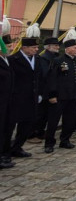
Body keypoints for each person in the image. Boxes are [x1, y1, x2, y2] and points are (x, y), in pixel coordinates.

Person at [45, 29, 76, 152]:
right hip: (59, 96)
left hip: (73, 96)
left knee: (70, 120)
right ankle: (49, 143)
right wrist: (52, 95)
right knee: (53, 121)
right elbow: (52, 79)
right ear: (67, 48)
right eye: (75, 48)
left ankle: (65, 140)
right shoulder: (58, 60)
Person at [8, 23, 41, 158]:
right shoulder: (13, 60)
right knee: (10, 126)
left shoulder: (37, 60)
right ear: (25, 48)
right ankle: (5, 150)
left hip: (31, 97)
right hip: (17, 98)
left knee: (27, 124)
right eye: (33, 47)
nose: (36, 49)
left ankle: (17, 147)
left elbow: (39, 78)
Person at [35, 37, 60, 142]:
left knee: (46, 114)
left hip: (52, 90)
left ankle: (41, 132)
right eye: (55, 45)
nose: (58, 47)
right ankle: (37, 132)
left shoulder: (55, 57)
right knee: (41, 114)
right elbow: (46, 75)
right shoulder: (44, 58)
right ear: (48, 47)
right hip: (45, 91)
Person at [0, 27, 14, 170]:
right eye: (7, 46)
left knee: (5, 129)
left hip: (7, 101)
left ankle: (4, 154)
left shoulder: (7, 61)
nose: (9, 49)